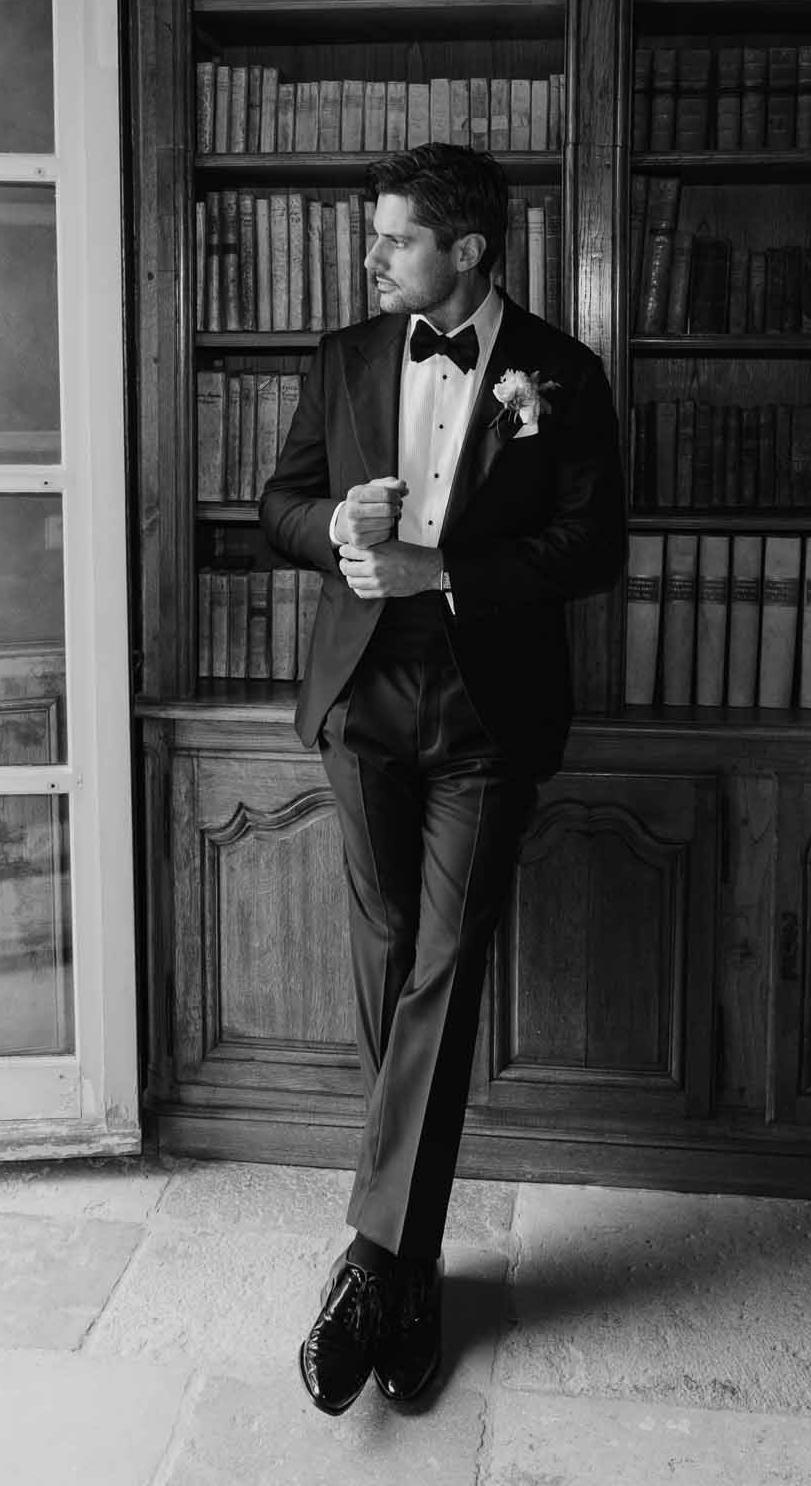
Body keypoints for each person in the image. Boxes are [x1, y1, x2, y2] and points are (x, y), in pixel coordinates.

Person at [259, 141, 625, 1414]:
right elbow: (277, 501)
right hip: (362, 698)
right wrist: (337, 530)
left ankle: (371, 1265)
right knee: (385, 950)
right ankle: (409, 1270)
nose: (372, 258)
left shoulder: (563, 374)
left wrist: (448, 574)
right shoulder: (349, 357)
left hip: (487, 709)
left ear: (468, 249)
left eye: (395, 238)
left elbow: (594, 543)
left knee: (444, 960)